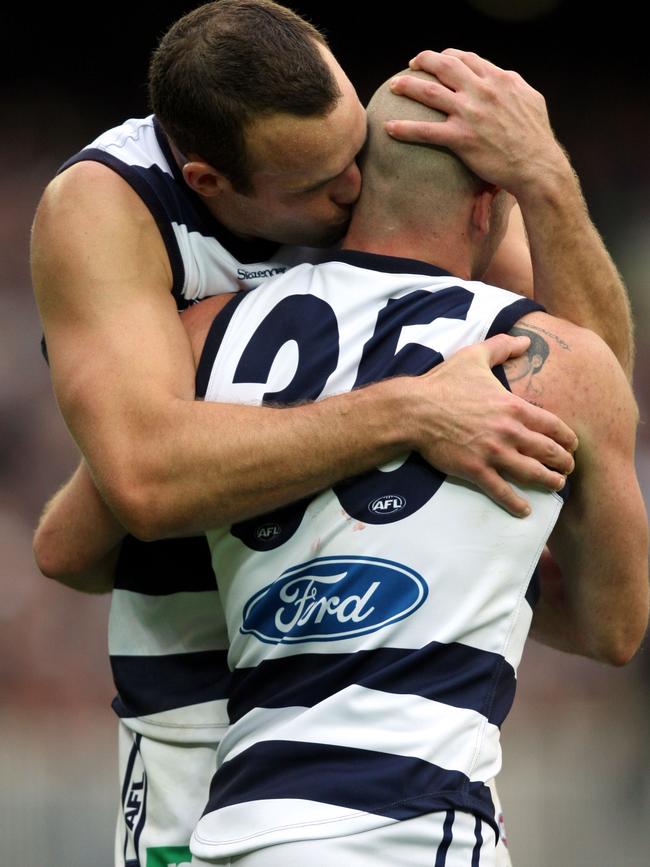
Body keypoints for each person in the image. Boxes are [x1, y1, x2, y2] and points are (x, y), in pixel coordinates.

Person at [31, 2, 634, 864]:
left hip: (372, 694)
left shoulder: (351, 174)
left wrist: (545, 177)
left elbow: (591, 388)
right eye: (319, 184)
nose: (357, 191)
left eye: (354, 150)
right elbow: (145, 484)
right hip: (196, 703)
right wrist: (410, 410)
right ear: (210, 184)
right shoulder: (108, 208)